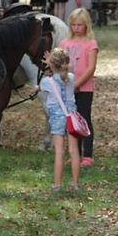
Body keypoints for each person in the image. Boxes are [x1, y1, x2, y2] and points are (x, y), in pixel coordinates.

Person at [60, 8, 98, 167]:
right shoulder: (64, 43)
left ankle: (87, 154)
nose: (76, 28)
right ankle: (75, 153)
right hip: (67, 87)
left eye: (80, 25)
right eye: (74, 25)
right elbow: (60, 63)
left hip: (85, 88)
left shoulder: (91, 44)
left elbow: (91, 68)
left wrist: (77, 84)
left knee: (84, 119)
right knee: (71, 120)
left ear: (86, 26)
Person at [38, 47, 81, 191]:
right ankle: (75, 184)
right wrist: (53, 61)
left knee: (59, 151)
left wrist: (49, 63)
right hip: (71, 118)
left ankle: (57, 184)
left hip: (57, 118)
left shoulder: (46, 82)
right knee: (74, 151)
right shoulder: (71, 78)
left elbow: (40, 87)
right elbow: (62, 73)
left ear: (51, 65)